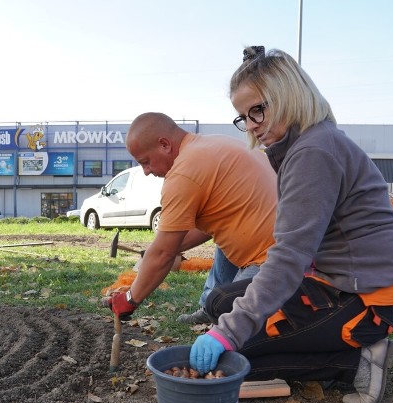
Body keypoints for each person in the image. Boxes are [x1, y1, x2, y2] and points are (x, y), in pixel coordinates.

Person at [189, 47, 393, 403]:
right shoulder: (306, 145)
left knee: (241, 360)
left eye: (257, 110)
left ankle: (358, 356)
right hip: (334, 283)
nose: (252, 124)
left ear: (287, 95)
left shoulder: (313, 152)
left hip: (363, 299)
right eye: (243, 117)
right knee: (218, 301)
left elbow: (289, 256)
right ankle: (333, 340)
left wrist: (227, 334)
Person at [104, 112, 277, 329]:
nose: (146, 171)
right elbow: (202, 228)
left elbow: (164, 254)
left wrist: (130, 299)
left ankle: (216, 309)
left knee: (229, 319)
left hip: (277, 262)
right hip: (288, 241)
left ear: (165, 144)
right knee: (223, 239)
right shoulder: (213, 144)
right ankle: (209, 309)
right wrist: (161, 247)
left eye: (146, 162)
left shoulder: (183, 173)